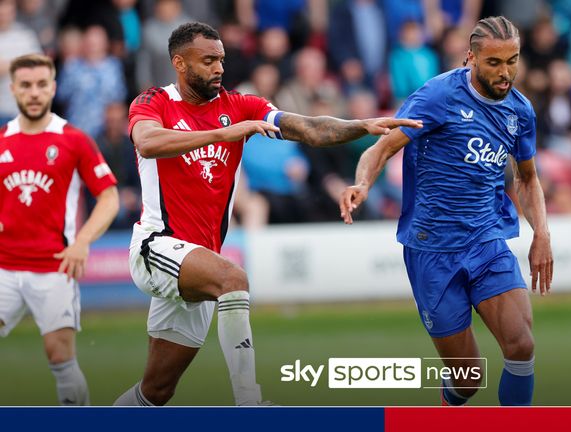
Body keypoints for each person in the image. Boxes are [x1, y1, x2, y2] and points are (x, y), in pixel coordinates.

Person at [113, 22, 421, 407]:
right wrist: (222, 135)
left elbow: (308, 128)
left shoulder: (241, 106)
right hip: (156, 245)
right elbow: (146, 141)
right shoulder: (153, 101)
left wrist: (359, 126)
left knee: (156, 392)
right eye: (208, 60)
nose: (219, 68)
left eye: (221, 59)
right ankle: (249, 403)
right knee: (233, 278)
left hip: (197, 259)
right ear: (180, 63)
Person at [340, 16, 553, 406]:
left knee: (521, 346)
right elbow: (384, 146)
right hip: (432, 250)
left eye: (513, 60)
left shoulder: (520, 112)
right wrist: (364, 183)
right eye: (494, 62)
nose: (505, 72)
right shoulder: (439, 96)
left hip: (487, 240)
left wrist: (542, 232)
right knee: (467, 379)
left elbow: (526, 177)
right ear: (470, 58)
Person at [0, 53, 119, 405]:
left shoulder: (73, 139)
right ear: (13, 90)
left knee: (60, 357)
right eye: (25, 85)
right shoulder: (2, 140)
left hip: (55, 267)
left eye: (40, 85)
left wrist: (82, 241)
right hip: (4, 266)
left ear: (53, 87)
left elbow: (109, 197)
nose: (33, 93)